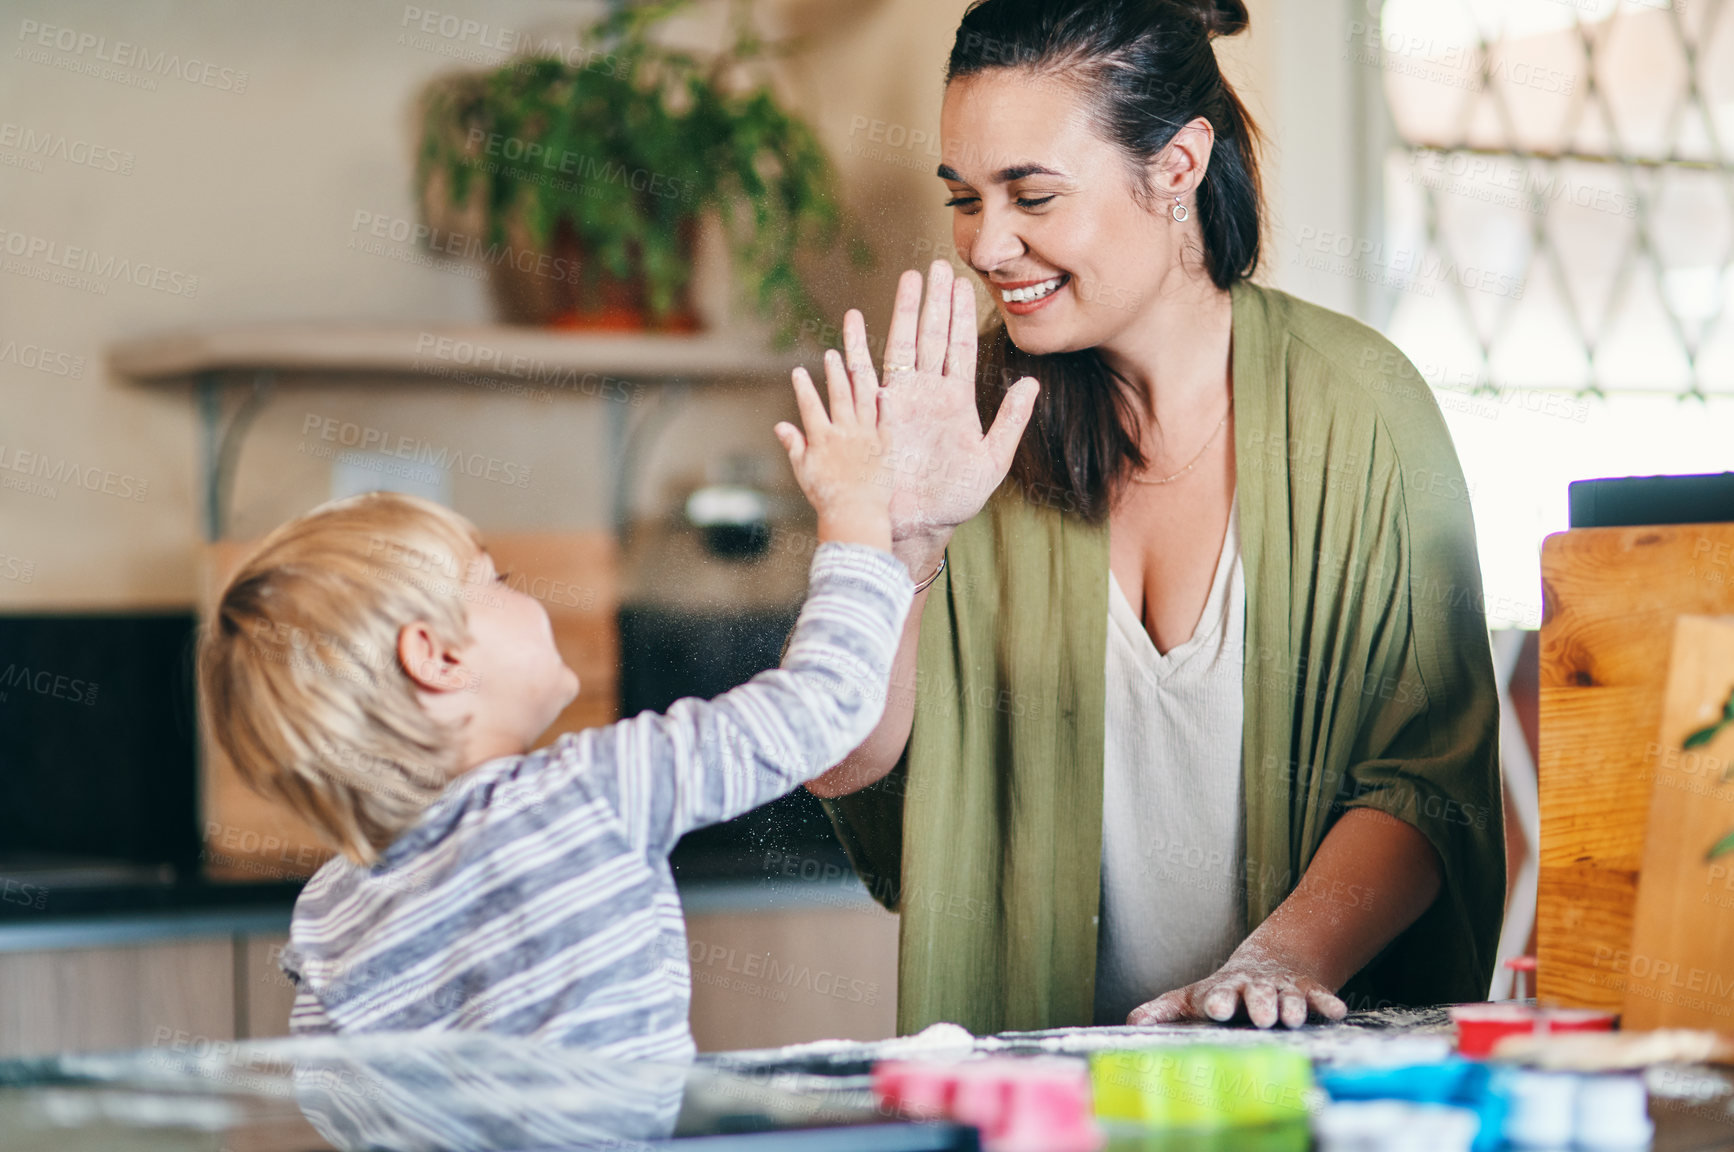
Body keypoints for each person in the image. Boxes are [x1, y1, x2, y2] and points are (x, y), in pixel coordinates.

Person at [807, 0, 1504, 1034]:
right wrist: (899, 544)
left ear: (1177, 166)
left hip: (1304, 1075)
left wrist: (1276, 964)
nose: (987, 245)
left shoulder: (1361, 407)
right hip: (1037, 1091)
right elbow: (843, 762)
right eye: (964, 197)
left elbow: (1424, 779)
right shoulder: (961, 424)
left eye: (1031, 194)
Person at [196, 346, 952, 1059]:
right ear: (440, 657)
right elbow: (824, 704)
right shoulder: (592, 790)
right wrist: (854, 512)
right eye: (497, 582)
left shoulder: (331, 912)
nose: (525, 597)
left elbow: (347, 1109)